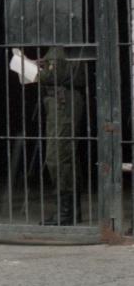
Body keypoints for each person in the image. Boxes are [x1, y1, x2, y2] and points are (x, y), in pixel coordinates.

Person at [37, 46, 87, 226]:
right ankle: (71, 211)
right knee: (64, 156)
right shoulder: (64, 44)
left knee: (58, 156)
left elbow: (54, 74)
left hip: (62, 103)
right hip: (61, 102)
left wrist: (32, 70)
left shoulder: (61, 45)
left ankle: (66, 212)